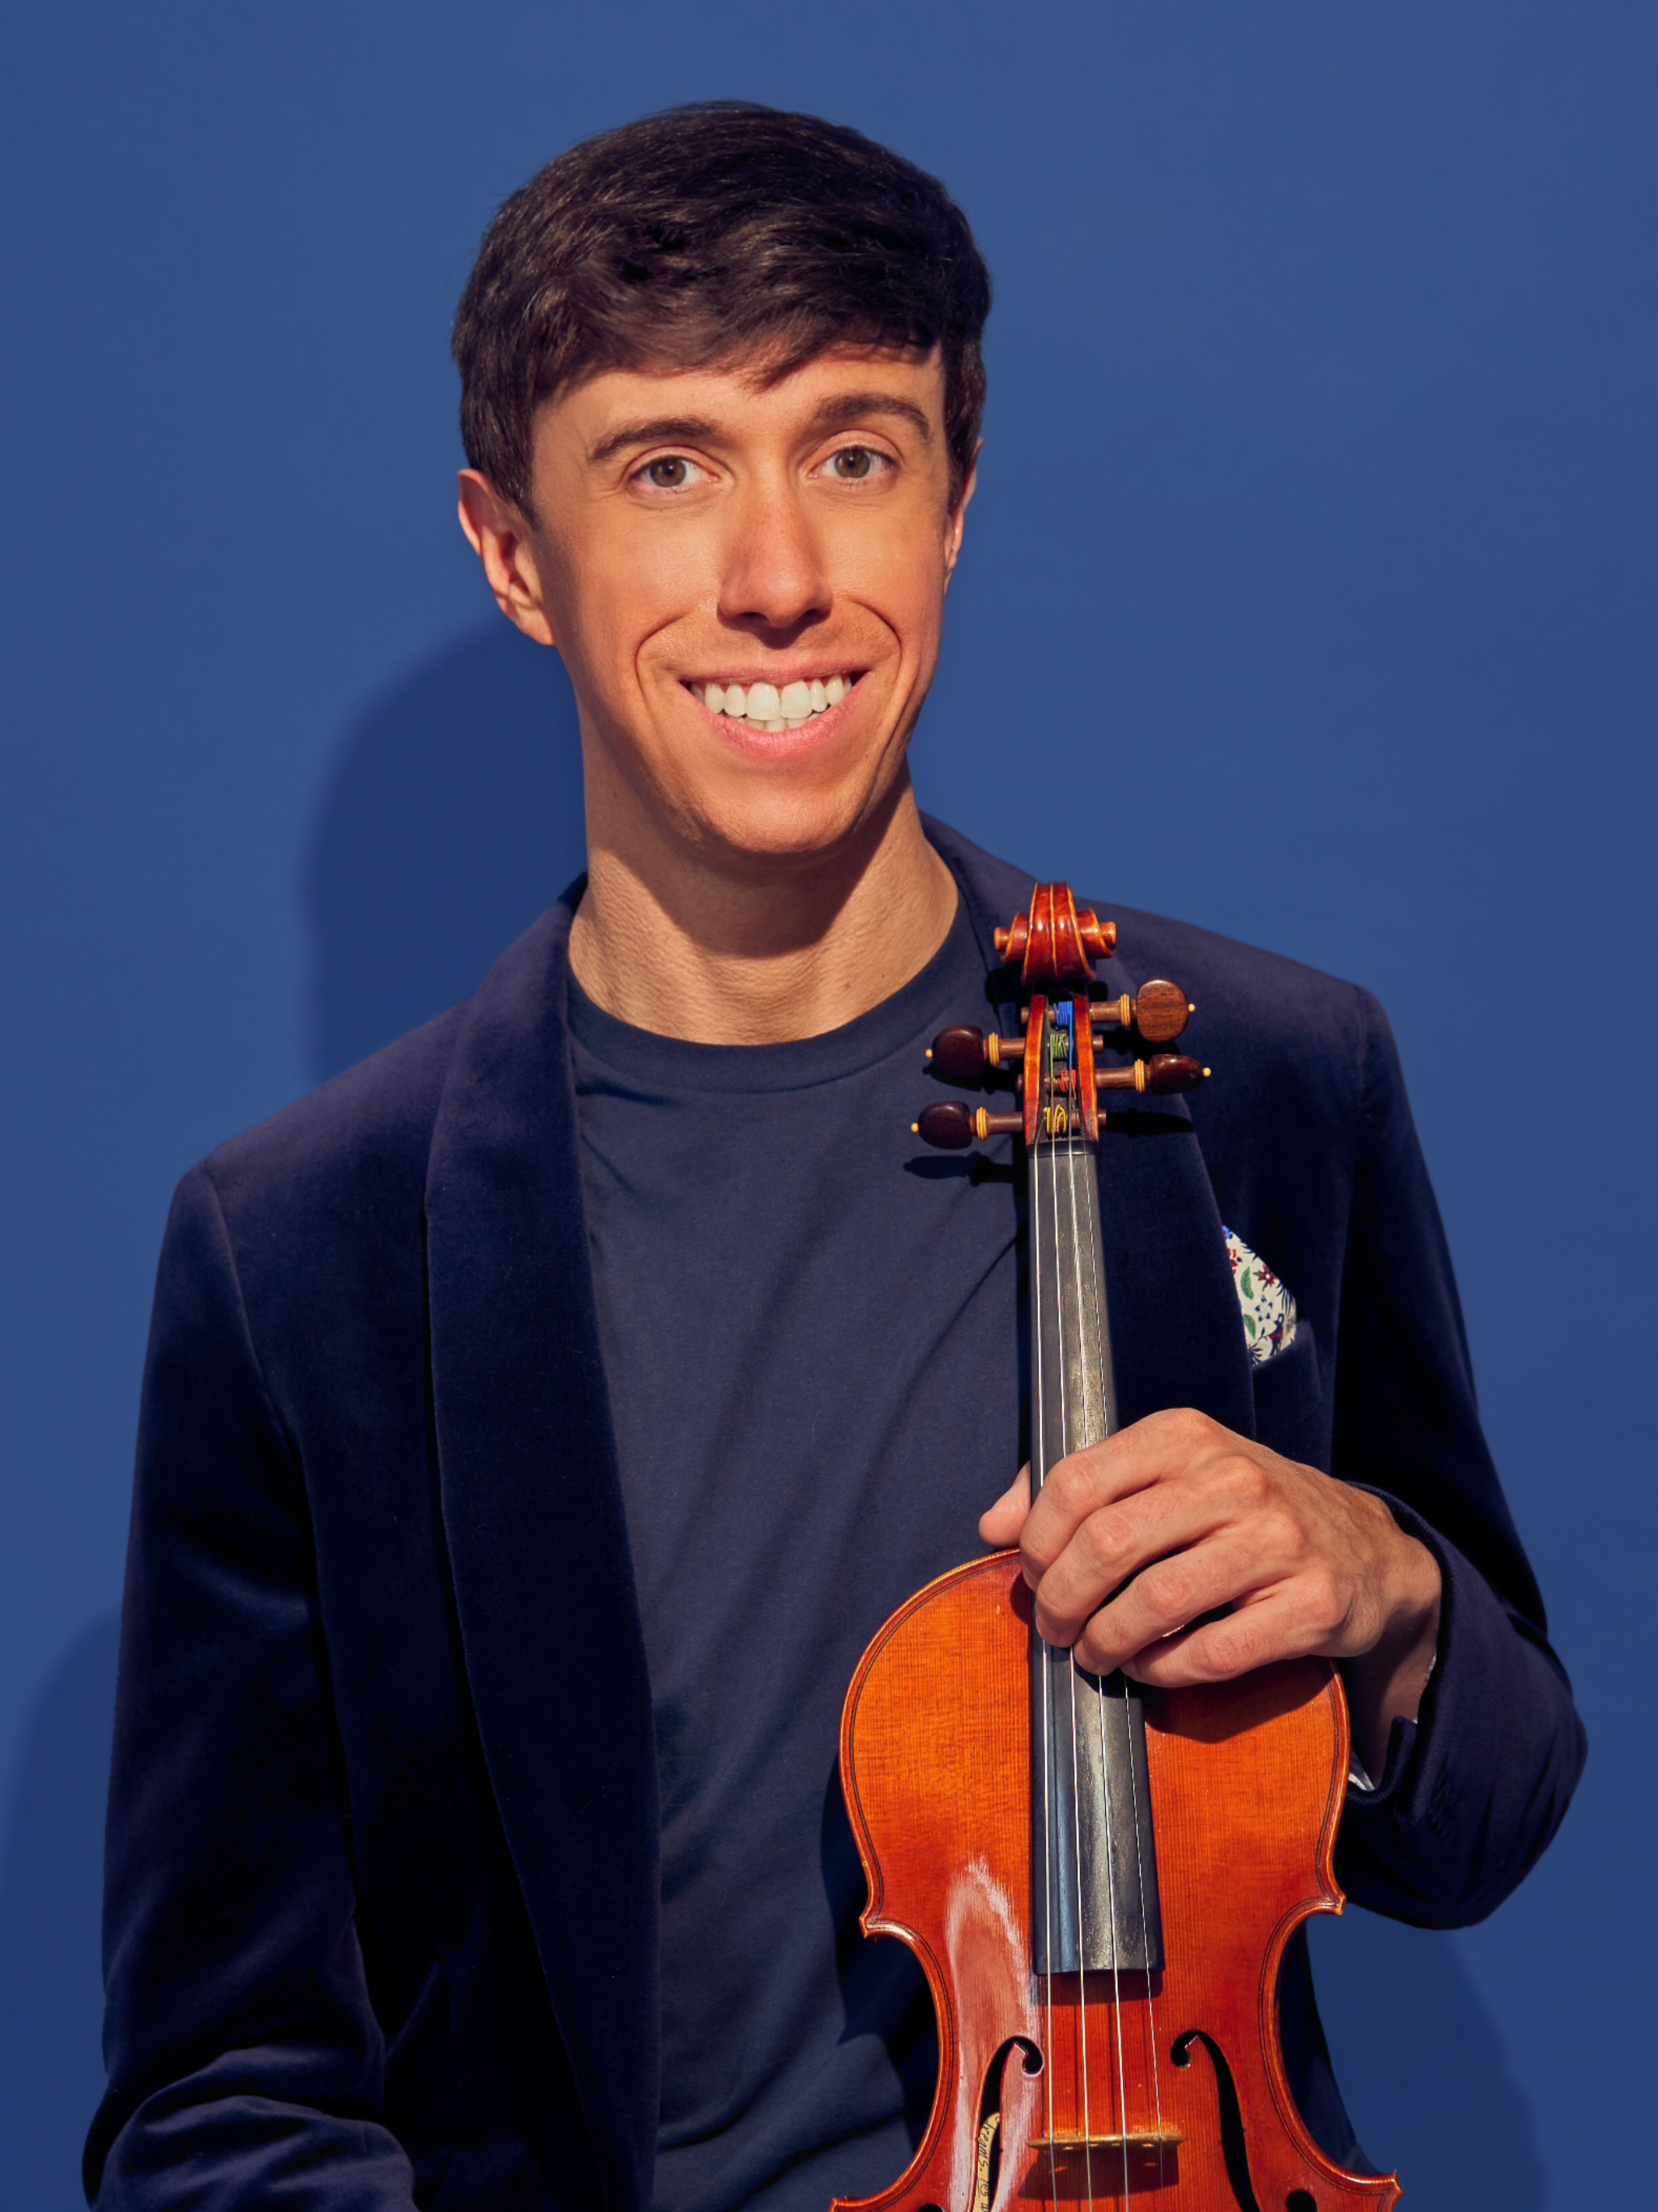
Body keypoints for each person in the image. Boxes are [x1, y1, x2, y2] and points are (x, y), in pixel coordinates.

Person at [86, 103, 1585, 2212]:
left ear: (955, 506)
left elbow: (1495, 1814)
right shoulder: (302, 1249)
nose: (781, 577)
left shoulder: (1267, 1076)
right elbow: (219, 2094)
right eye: (670, 465)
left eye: (855, 454)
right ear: (513, 549)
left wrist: (1398, 1600)